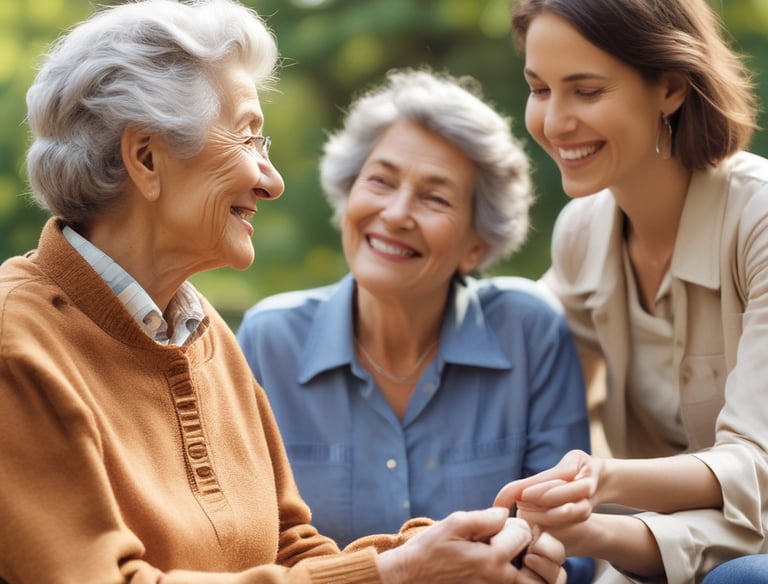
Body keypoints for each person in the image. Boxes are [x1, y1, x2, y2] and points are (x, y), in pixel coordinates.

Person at [0, 1, 572, 582]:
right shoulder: (16, 343)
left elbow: (291, 552)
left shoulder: (203, 333)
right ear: (146, 157)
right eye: (248, 139)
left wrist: (456, 546)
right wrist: (400, 572)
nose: (271, 180)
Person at [236, 68, 593, 583]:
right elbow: (252, 548)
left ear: (476, 244)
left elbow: (570, 546)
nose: (396, 213)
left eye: (435, 197)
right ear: (348, 193)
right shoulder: (269, 341)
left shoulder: (529, 330)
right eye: (380, 180)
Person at [493, 0, 768, 582]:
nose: (554, 121)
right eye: (539, 89)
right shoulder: (583, 232)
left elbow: (758, 471)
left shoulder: (757, 220)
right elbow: (516, 345)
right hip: (673, 550)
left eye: (586, 91)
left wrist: (606, 477)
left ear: (669, 89)